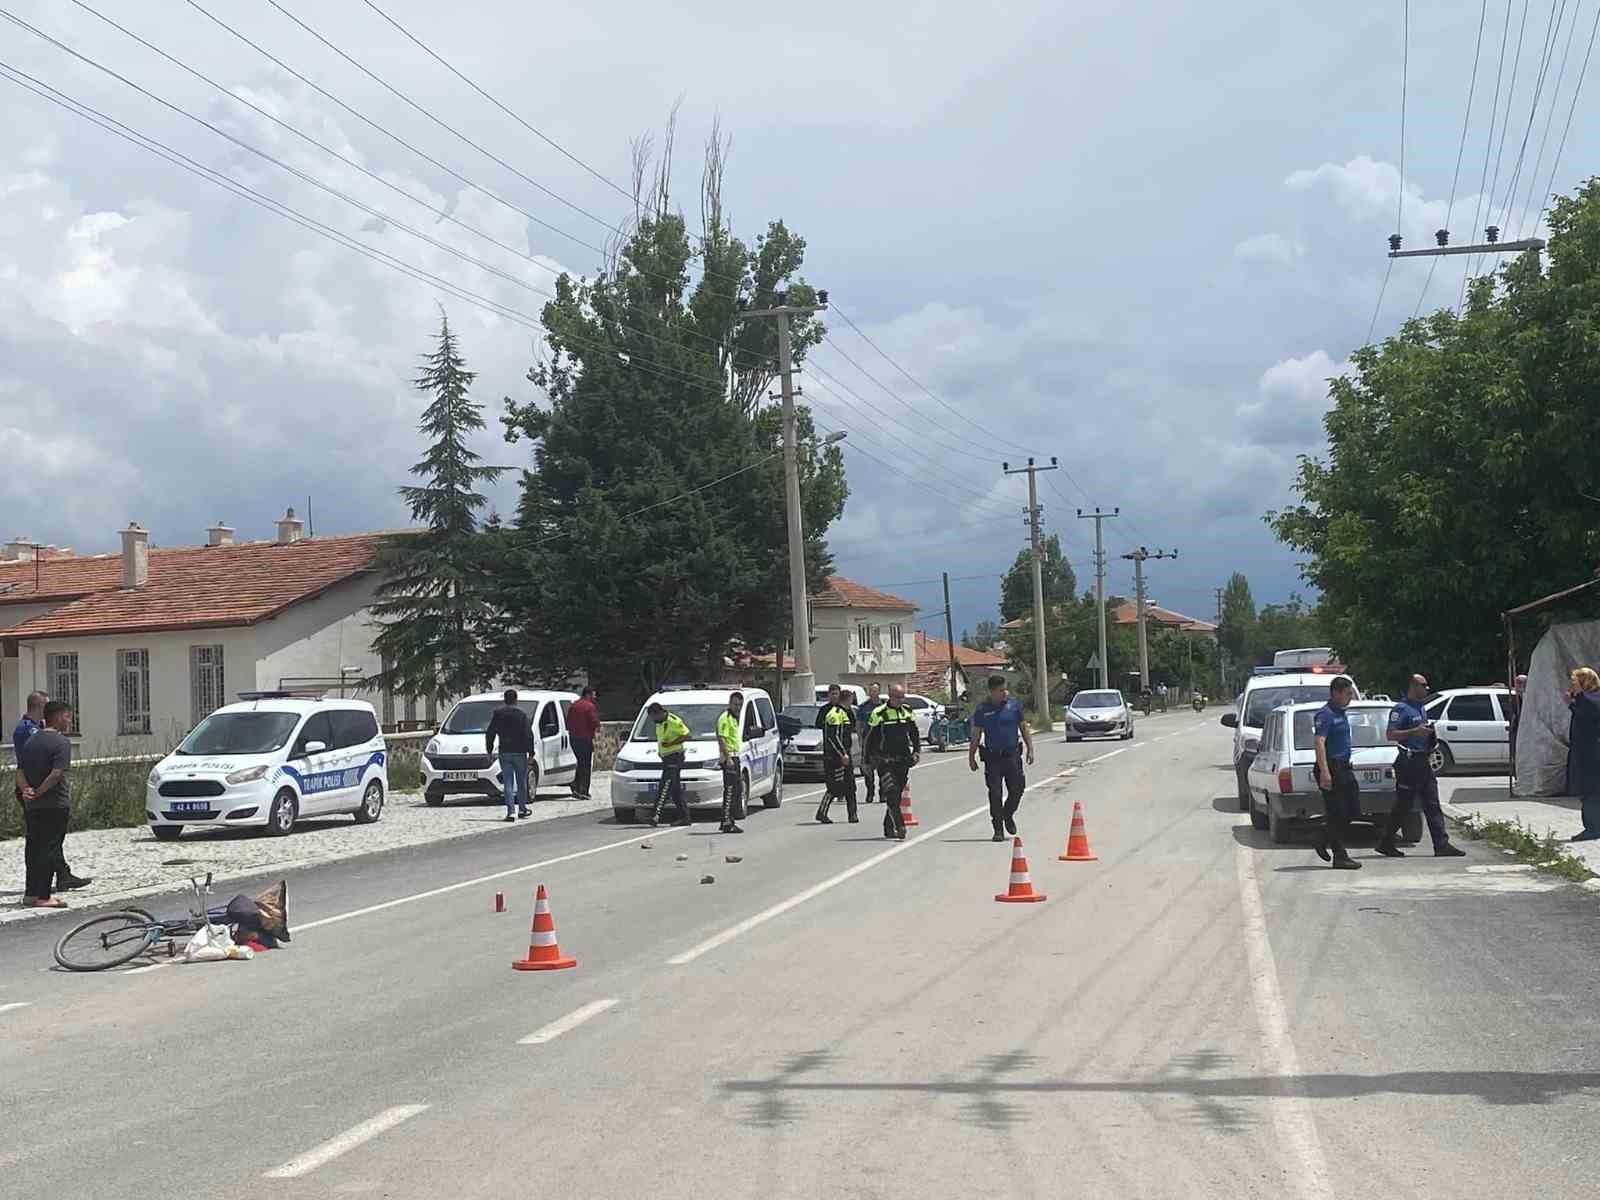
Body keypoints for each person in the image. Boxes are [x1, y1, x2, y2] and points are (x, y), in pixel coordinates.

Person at [1379, 674, 1465, 858]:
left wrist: (1430, 740)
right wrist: (1414, 731)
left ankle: (1441, 844)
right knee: (1403, 805)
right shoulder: (1400, 709)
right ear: (1413, 686)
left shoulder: (1421, 708)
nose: (1427, 689)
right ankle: (1385, 842)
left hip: (1422, 761)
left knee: (1432, 802)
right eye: (1423, 685)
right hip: (1409, 763)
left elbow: (1422, 734)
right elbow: (1391, 734)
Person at [18, 701, 76, 908]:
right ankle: (44, 895)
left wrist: (27, 790)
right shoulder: (61, 743)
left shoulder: (31, 741)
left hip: (32, 806)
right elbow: (57, 774)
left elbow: (20, 771)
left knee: (33, 847)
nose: (70, 721)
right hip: (54, 804)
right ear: (60, 716)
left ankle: (30, 893)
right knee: (50, 848)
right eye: (68, 716)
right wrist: (40, 791)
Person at [970, 674, 1035, 842]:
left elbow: (1023, 727)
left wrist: (1030, 749)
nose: (1005, 692)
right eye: (1001, 690)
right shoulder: (982, 710)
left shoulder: (1013, 706)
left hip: (1012, 755)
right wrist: (972, 756)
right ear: (992, 692)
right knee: (995, 794)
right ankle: (998, 829)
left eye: (1006, 689)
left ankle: (1008, 814)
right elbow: (976, 734)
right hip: (992, 758)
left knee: (1018, 789)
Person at [1312, 676, 1362, 870]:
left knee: (1353, 810)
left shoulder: (1340, 712)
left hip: (1344, 766)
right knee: (1337, 812)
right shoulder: (1325, 714)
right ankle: (1340, 856)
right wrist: (1325, 772)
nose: (1350, 697)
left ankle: (1322, 835)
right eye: (1348, 694)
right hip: (1331, 767)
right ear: (1336, 693)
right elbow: (1319, 742)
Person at [865, 684, 920, 840]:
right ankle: (900, 825)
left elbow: (914, 733)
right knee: (891, 793)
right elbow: (869, 739)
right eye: (897, 697)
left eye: (902, 697)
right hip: (885, 761)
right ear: (890, 696)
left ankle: (888, 827)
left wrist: (916, 751)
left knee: (896, 796)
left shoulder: (907, 711)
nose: (900, 700)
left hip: (903, 760)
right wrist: (867, 761)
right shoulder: (879, 713)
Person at [484, 690, 533, 823]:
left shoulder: (498, 714)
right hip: (519, 751)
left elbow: (490, 733)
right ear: (516, 700)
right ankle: (522, 809)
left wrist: (489, 750)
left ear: (504, 700)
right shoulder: (522, 715)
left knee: (508, 782)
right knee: (521, 781)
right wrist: (531, 752)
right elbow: (528, 734)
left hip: (504, 751)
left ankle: (511, 811)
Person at [815, 684, 858, 825]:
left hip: (846, 754)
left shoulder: (848, 712)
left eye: (837, 694)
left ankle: (853, 815)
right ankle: (822, 813)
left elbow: (851, 729)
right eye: (832, 694)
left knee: (851, 785)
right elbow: (832, 737)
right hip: (834, 756)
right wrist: (842, 754)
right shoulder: (831, 713)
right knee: (834, 787)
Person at [1565, 667, 1600, 842]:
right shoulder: (1586, 700)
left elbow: (1590, 718)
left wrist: (1576, 699)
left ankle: (1593, 828)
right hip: (1585, 752)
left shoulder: (1592, 699)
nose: (1572, 685)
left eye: (1575, 682)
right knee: (1588, 790)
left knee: (1591, 791)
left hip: (1592, 754)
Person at [646, 700, 693, 827]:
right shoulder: (659, 723)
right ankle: (684, 817)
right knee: (674, 788)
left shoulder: (673, 721)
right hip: (666, 758)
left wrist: (671, 744)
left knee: (665, 785)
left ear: (659, 713)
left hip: (675, 757)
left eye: (653, 717)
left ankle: (655, 816)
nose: (653, 720)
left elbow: (688, 736)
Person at [716, 692, 746, 835]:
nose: (737, 707)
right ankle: (728, 822)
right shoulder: (725, 718)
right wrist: (727, 758)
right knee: (730, 792)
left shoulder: (734, 719)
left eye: (740, 705)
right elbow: (721, 738)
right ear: (729, 703)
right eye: (735, 704)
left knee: (736, 790)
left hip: (735, 757)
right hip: (729, 758)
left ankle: (726, 820)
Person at [568, 686, 600, 801]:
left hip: (573, 738)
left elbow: (568, 721)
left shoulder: (573, 705)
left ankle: (576, 785)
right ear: (588, 695)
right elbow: (594, 721)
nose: (594, 697)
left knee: (580, 762)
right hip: (585, 738)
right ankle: (584, 790)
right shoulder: (589, 706)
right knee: (586, 764)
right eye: (593, 695)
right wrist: (597, 727)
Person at [856, 683, 885, 803]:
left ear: (879, 691)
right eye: (871, 691)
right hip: (869, 741)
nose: (873, 693)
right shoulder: (864, 707)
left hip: (882, 742)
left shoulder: (885, 706)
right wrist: (860, 740)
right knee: (868, 770)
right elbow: (859, 725)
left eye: (875, 690)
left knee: (883, 770)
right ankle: (870, 792)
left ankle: (882, 794)